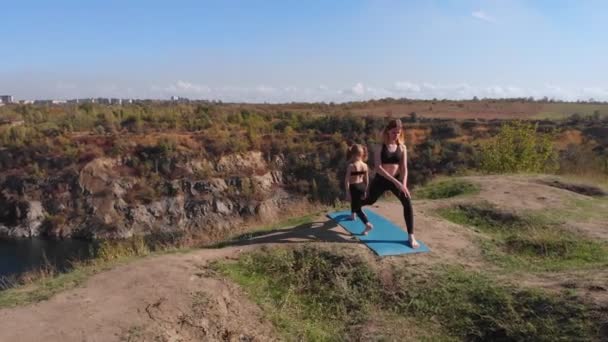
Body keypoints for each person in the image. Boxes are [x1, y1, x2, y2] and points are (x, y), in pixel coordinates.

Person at [362, 119, 419, 248]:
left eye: (398, 132)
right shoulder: (380, 147)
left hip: (397, 180)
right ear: (388, 131)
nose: (396, 135)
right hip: (381, 180)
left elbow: (404, 168)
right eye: (394, 132)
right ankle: (355, 206)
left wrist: (403, 184)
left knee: (407, 202)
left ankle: (411, 236)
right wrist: (396, 182)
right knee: (370, 200)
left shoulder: (402, 147)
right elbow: (378, 168)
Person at [345, 144, 374, 235]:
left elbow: (346, 181)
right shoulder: (365, 165)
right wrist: (366, 190)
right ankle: (353, 215)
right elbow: (367, 180)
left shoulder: (351, 166)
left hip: (354, 187)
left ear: (353, 154)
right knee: (356, 202)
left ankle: (367, 224)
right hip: (362, 186)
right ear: (362, 154)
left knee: (357, 208)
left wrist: (347, 192)